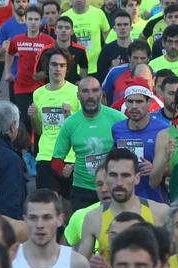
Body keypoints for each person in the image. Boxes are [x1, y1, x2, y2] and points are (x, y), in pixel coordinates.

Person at [51, 76, 126, 212]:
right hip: (82, 191)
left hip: (113, 187)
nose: (91, 96)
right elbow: (56, 160)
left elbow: (131, 152)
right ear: (78, 95)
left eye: (95, 90)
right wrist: (63, 170)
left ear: (101, 94)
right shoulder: (70, 124)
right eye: (85, 91)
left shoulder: (118, 119)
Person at [15, 189, 94, 268]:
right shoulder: (10, 261)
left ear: (60, 220)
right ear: (25, 220)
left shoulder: (77, 264)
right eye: (33, 218)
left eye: (47, 218)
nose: (40, 225)